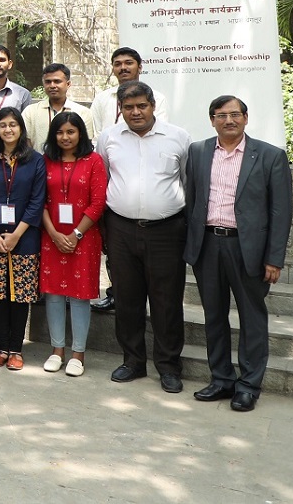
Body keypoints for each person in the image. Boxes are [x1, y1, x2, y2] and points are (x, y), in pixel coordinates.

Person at [183, 96, 292, 412]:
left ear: (246, 118)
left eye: (235, 114)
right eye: (221, 115)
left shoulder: (270, 156)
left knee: (252, 318)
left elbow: (280, 211)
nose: (228, 120)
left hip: (250, 250)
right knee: (213, 315)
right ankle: (221, 379)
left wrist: (274, 257)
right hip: (208, 246)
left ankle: (248, 386)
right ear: (212, 120)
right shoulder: (199, 152)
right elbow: (192, 200)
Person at [96, 80, 191, 393]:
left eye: (141, 106)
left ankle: (168, 366)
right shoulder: (108, 138)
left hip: (167, 231)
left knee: (166, 301)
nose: (135, 112)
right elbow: (105, 180)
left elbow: (188, 182)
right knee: (127, 299)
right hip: (121, 229)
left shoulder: (178, 137)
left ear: (152, 106)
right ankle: (133, 361)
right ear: (120, 109)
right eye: (128, 107)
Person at [40, 112, 106, 378]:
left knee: (79, 295)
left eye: (71, 132)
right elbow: (40, 200)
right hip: (51, 236)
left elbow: (98, 202)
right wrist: (55, 234)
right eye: (59, 132)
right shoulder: (46, 162)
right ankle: (57, 350)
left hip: (85, 238)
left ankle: (78, 354)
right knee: (54, 294)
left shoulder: (94, 161)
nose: (65, 137)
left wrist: (76, 234)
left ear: (81, 133)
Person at [0, 107, 47, 371]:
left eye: (13, 125)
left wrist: (17, 234)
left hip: (25, 236)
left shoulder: (35, 160)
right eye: (2, 126)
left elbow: (37, 201)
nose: (8, 130)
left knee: (20, 295)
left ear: (21, 128)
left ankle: (16, 348)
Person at [90, 46, 172, 132]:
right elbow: (97, 137)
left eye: (128, 63)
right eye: (118, 64)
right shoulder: (101, 99)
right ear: (113, 69)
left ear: (140, 68)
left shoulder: (157, 98)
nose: (123, 68)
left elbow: (161, 131)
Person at [23, 63, 96, 151]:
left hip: (73, 164)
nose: (52, 86)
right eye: (48, 82)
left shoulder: (82, 112)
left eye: (57, 81)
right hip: (40, 163)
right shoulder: (31, 111)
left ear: (68, 84)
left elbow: (85, 144)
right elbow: (26, 143)